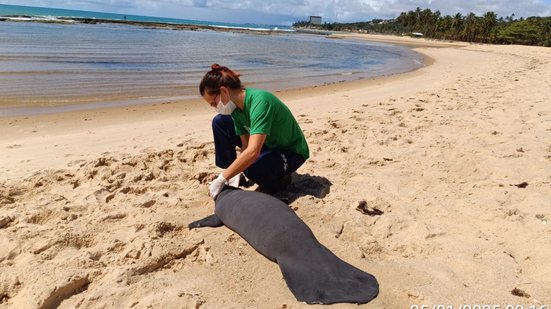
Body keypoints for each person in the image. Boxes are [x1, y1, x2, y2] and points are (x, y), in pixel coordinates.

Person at [199, 64, 309, 199]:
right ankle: (232, 173)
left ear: (223, 91)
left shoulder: (260, 101)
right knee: (220, 122)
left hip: (290, 151)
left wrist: (221, 178)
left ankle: (279, 182)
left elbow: (253, 151)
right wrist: (233, 172)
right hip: (267, 144)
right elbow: (245, 146)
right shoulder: (236, 109)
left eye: (214, 103)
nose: (215, 107)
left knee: (252, 166)